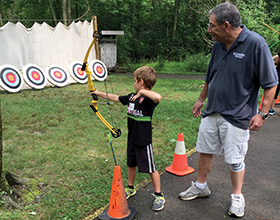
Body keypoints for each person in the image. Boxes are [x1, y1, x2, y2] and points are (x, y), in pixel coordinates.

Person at [179, 2, 278, 218]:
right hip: (213, 110)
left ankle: (237, 196)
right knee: (204, 150)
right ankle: (201, 186)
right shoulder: (217, 45)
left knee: (235, 158)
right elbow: (210, 76)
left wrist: (261, 114)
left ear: (226, 25)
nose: (208, 29)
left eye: (211, 25)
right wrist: (200, 100)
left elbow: (271, 83)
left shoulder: (256, 45)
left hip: (238, 115)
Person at [91, 66, 165, 211]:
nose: (133, 84)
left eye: (135, 81)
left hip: (143, 141)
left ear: (141, 82)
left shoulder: (148, 100)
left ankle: (159, 195)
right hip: (132, 139)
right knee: (131, 164)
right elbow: (116, 98)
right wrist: (98, 93)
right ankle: (130, 188)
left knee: (151, 168)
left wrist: (143, 92)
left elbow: (158, 97)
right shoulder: (132, 97)